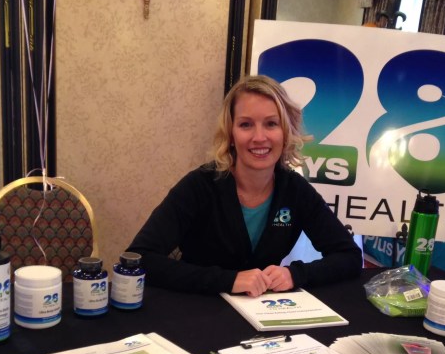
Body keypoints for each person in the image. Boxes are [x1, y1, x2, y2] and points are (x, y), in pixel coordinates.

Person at [127, 74, 362, 296]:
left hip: (264, 313)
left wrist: (295, 274)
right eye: (246, 125)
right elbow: (139, 257)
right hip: (197, 312)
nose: (259, 137)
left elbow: (349, 256)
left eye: (271, 124)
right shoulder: (199, 186)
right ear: (230, 133)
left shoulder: (295, 190)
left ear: (286, 131)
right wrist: (230, 280)